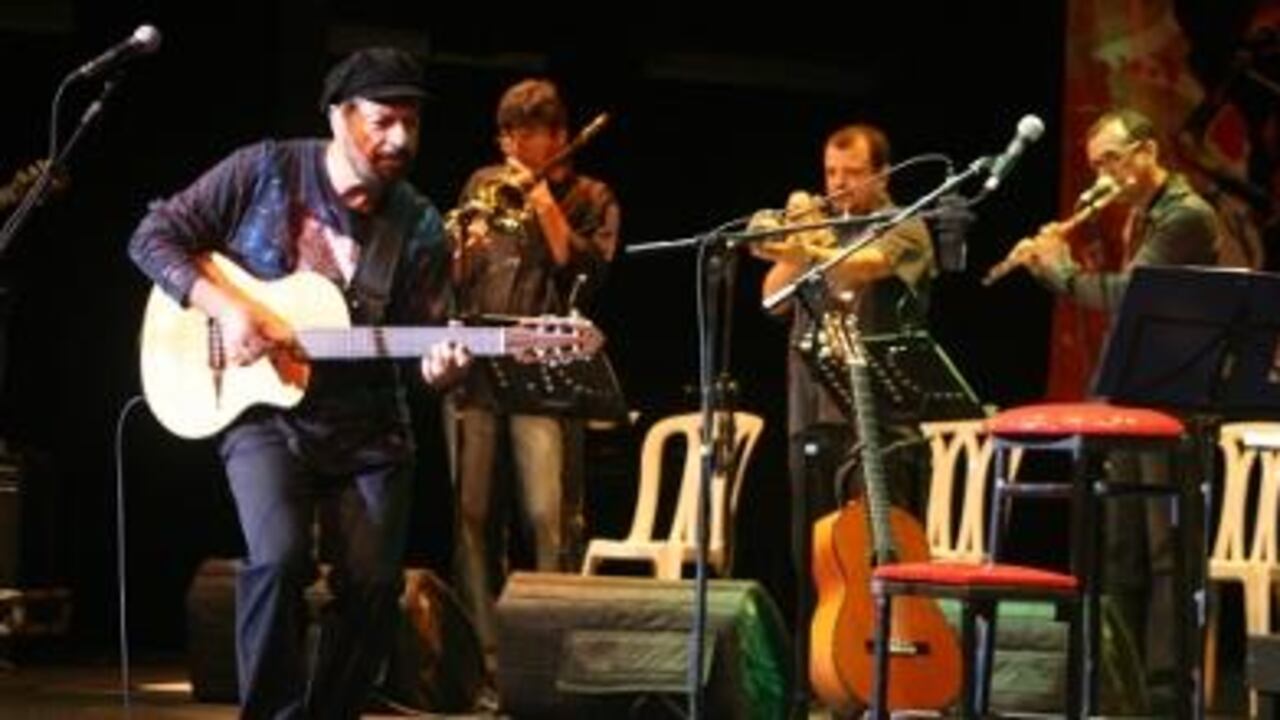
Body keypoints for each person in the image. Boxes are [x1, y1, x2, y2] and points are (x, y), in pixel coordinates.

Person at [128, 47, 470, 719]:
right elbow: (153, 235)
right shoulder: (266, 170)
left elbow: (427, 339)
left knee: (374, 587)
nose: (400, 138)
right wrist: (226, 305)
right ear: (340, 117)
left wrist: (444, 369)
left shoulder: (420, 224)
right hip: (266, 415)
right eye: (382, 120)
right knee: (279, 562)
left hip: (369, 422)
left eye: (411, 123)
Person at [1013, 107, 1220, 706]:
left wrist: (1061, 271)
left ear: (1147, 150)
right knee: (1123, 549)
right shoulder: (1143, 215)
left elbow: (1137, 296)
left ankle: (1162, 696)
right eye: (1096, 164)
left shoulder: (1185, 216)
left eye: (1112, 160)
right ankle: (1116, 689)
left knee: (1166, 556)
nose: (1103, 175)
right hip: (1134, 397)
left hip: (1174, 402)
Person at [748, 123, 936, 712]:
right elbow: (772, 299)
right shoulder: (817, 229)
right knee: (817, 566)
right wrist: (795, 240)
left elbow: (860, 268)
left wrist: (810, 240)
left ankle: (887, 687)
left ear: (881, 174)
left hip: (878, 420)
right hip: (812, 412)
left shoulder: (906, 224)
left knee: (878, 561)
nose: (837, 184)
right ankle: (816, 688)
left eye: (851, 174)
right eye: (831, 173)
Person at [445, 78, 619, 676]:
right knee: (469, 515)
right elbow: (458, 275)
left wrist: (542, 197)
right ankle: (487, 658)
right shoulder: (480, 186)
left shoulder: (592, 196)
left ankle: (546, 655)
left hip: (543, 369)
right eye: (507, 135)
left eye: (526, 136)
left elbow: (584, 269)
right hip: (477, 365)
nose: (513, 148)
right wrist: (462, 248)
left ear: (559, 138)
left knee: (548, 514)